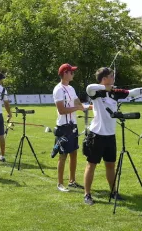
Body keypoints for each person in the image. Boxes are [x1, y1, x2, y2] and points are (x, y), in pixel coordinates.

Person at [83, 67, 142, 205]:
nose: (114, 78)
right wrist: (106, 87)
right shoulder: (96, 93)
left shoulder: (116, 93)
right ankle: (87, 194)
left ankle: (113, 192)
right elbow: (89, 87)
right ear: (104, 79)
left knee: (111, 165)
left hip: (110, 135)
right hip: (96, 135)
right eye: (111, 76)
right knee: (91, 164)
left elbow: (132, 93)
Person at [52, 63, 85, 192]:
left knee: (74, 153)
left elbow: (77, 102)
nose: (73, 74)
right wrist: (77, 108)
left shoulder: (71, 88)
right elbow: (61, 110)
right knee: (63, 155)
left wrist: (85, 106)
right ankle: (60, 184)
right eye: (71, 72)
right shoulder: (58, 89)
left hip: (73, 126)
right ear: (65, 73)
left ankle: (72, 181)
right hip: (63, 127)